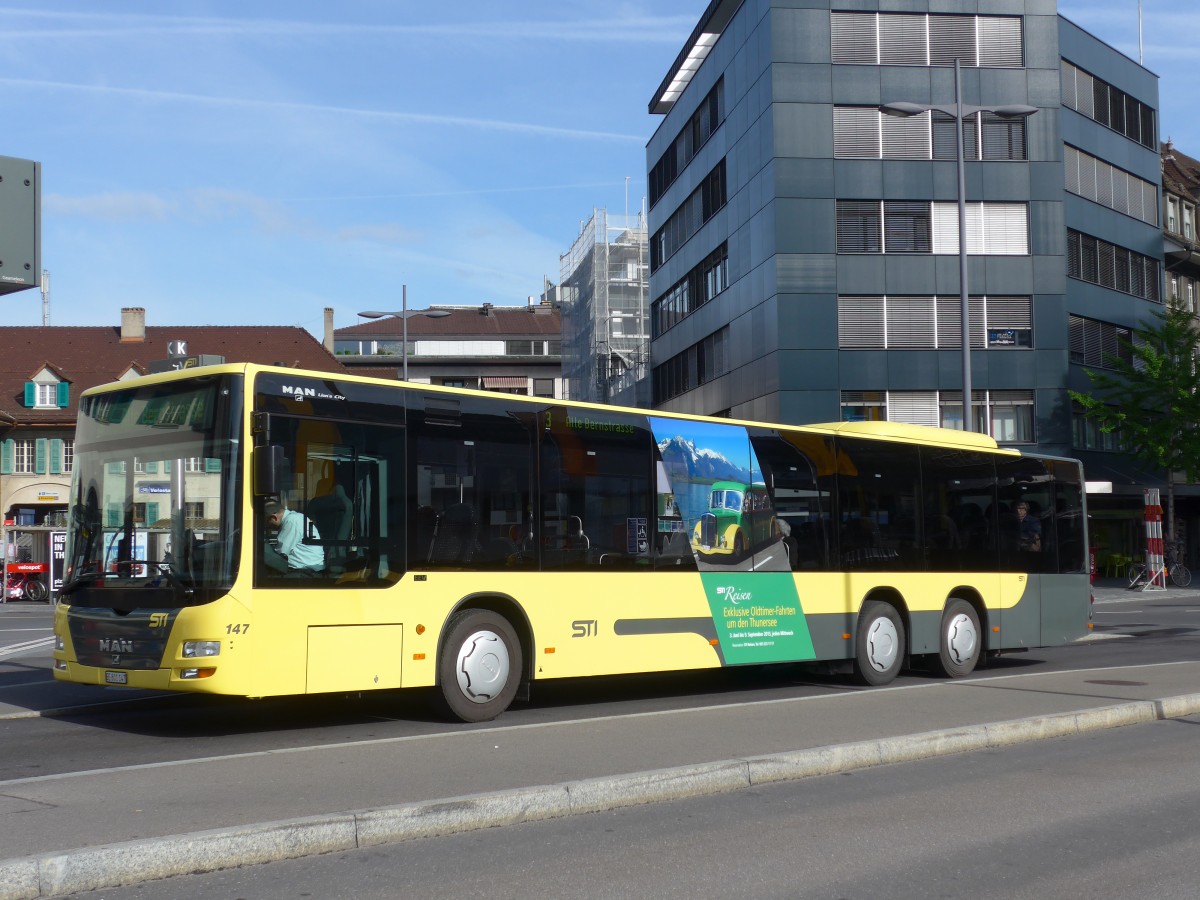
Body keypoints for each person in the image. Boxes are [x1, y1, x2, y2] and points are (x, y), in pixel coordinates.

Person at [263, 499, 325, 574]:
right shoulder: (296, 517)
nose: (266, 526)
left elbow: (280, 553)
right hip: (308, 569)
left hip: (304, 571)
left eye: (266, 522)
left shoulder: (291, 521)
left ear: (274, 518)